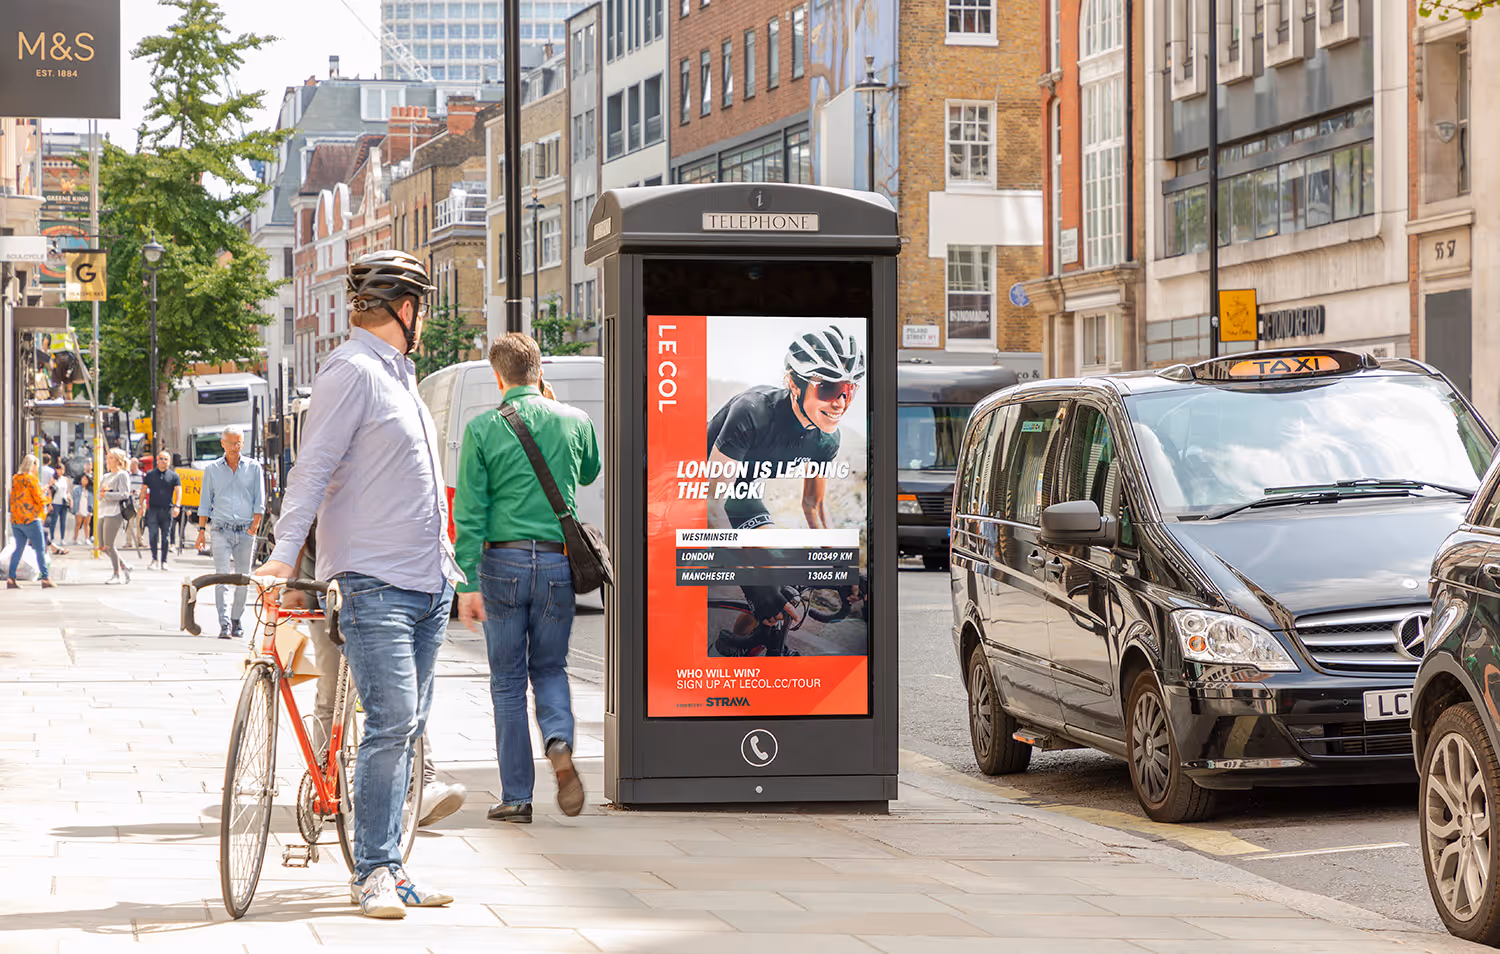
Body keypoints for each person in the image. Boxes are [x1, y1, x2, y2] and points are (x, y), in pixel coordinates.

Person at [254, 248, 457, 919]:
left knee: (410, 727)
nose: (424, 316)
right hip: (375, 583)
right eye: (421, 305)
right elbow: (311, 468)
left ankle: (394, 868)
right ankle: (369, 870)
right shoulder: (352, 370)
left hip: (428, 582)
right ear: (405, 307)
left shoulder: (402, 378)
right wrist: (285, 556)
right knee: (392, 721)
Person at [455, 332, 600, 825]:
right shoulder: (575, 420)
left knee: (508, 682)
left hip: (502, 566)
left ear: (499, 378)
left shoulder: (482, 429)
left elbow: (470, 512)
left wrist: (464, 586)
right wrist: (559, 410)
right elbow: (590, 472)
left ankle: (517, 797)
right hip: (558, 564)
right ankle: (559, 741)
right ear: (540, 372)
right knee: (551, 668)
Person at [706, 327, 865, 654]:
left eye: (849, 389)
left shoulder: (825, 438)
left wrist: (837, 561)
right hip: (692, 491)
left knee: (783, 577)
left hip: (743, 493)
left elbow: (814, 506)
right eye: (829, 388)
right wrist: (754, 582)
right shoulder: (753, 410)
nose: (840, 402)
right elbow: (708, 504)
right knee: (765, 577)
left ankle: (743, 644)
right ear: (795, 383)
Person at [196, 427, 265, 639]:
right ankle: (224, 623)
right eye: (231, 443)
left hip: (246, 531)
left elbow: (259, 501)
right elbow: (205, 503)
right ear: (222, 444)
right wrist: (201, 531)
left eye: (239, 443)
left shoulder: (254, 468)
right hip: (220, 530)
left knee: (244, 579)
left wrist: (254, 526)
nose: (235, 448)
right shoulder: (212, 470)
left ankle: (237, 619)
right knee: (222, 577)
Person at [8, 454, 54, 589]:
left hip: (16, 519)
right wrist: (48, 498)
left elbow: (23, 496)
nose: (37, 469)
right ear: (32, 465)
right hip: (31, 519)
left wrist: (42, 490)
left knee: (19, 549)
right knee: (40, 549)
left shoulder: (16, 478)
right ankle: (45, 578)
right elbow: (39, 499)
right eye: (36, 466)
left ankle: (11, 578)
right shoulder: (31, 479)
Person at [140, 451, 182, 571]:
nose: (164, 461)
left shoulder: (174, 476)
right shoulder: (150, 475)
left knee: (166, 536)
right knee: (153, 535)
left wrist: (177, 506)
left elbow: (178, 491)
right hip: (153, 508)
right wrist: (140, 506)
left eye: (166, 459)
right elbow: (143, 490)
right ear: (157, 460)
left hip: (167, 509)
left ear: (169, 462)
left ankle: (164, 561)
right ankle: (154, 559)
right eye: (162, 459)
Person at [99, 449, 134, 584]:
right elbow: (98, 495)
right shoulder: (106, 476)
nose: (108, 460)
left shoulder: (122, 475)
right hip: (103, 511)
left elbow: (125, 494)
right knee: (102, 546)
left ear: (118, 460)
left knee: (109, 545)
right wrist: (103, 493)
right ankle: (124, 566)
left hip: (114, 512)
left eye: (111, 458)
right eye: (108, 458)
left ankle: (117, 574)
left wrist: (108, 494)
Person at [47, 467, 71, 555]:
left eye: (62, 470)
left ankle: (62, 538)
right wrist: (49, 503)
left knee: (63, 521)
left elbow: (68, 491)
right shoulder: (53, 479)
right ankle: (52, 537)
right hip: (55, 502)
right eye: (59, 469)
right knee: (54, 520)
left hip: (63, 502)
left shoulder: (65, 479)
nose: (60, 471)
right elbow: (50, 491)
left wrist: (70, 499)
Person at [124, 457, 145, 553]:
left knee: (140, 522)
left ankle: (140, 540)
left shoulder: (143, 476)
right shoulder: (128, 476)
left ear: (136, 464)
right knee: (130, 521)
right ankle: (129, 541)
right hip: (131, 501)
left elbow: (147, 489)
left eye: (132, 465)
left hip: (140, 500)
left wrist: (140, 492)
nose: (130, 467)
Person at [72, 473, 92, 546]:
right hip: (79, 507)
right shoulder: (77, 489)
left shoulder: (91, 489)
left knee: (87, 524)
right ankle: (75, 539)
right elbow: (74, 497)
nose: (83, 480)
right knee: (78, 524)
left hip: (88, 507)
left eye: (85, 479)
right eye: (82, 479)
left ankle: (87, 538)